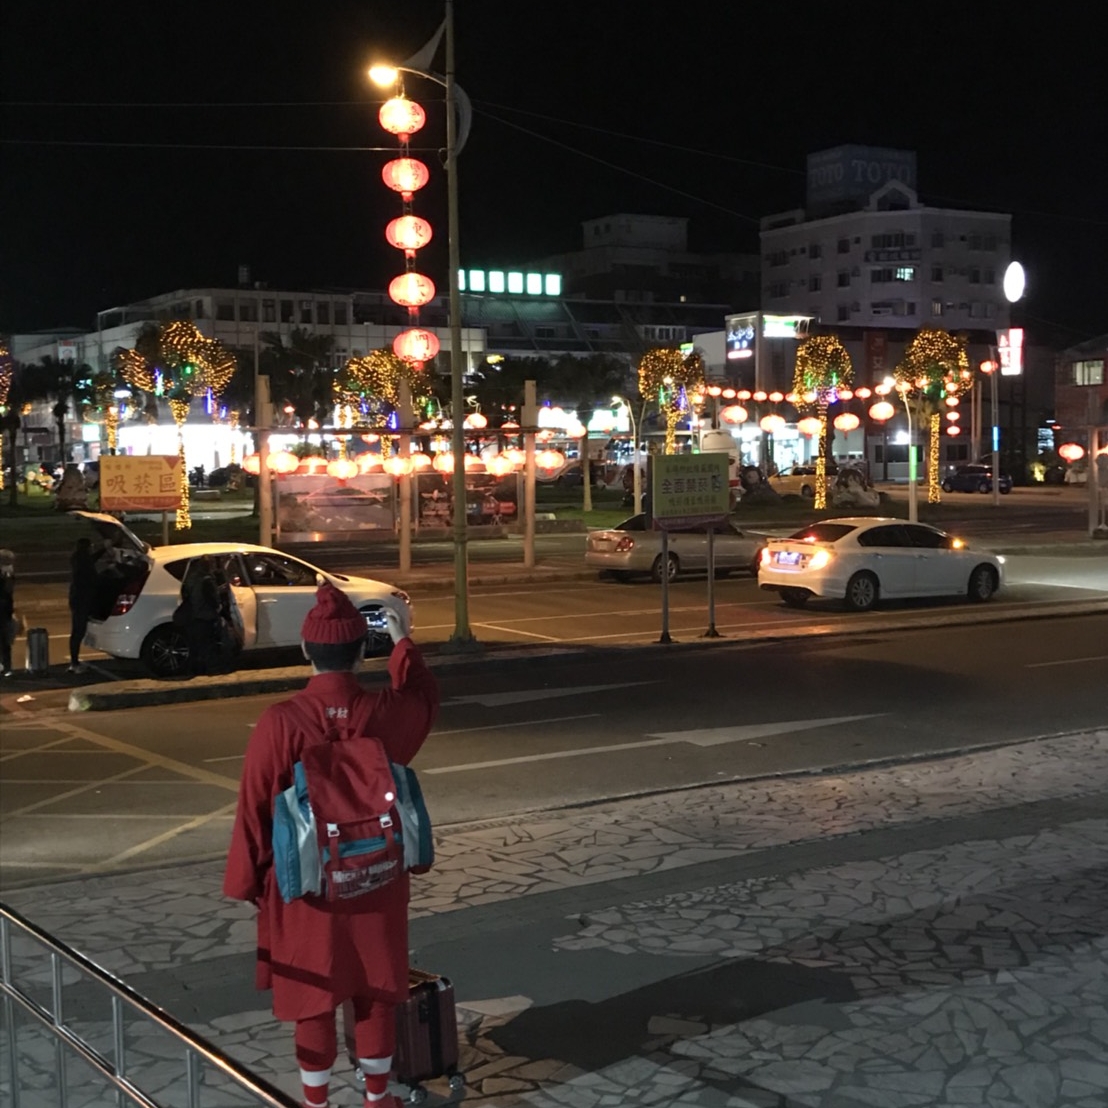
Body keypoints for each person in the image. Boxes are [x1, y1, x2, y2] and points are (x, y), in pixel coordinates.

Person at [224, 583, 437, 1108]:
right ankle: (376, 1096)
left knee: (314, 994)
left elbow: (255, 806)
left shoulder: (282, 722)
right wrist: (404, 643)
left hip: (308, 883)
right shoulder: (384, 715)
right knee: (376, 988)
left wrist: (251, 881)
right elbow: (424, 700)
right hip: (376, 878)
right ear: (362, 652)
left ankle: (316, 1102)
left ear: (305, 651)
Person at [179, 555, 222, 676]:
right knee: (208, 644)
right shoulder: (207, 580)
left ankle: (195, 670)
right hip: (205, 616)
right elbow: (213, 599)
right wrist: (218, 607)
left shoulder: (191, 577)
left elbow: (185, 593)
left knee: (196, 645)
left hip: (193, 615)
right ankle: (211, 670)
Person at [68, 537, 99, 674]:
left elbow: (93, 558)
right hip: (82, 600)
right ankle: (74, 663)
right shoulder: (85, 563)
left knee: (76, 631)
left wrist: (104, 549)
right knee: (78, 631)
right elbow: (94, 579)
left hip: (75, 599)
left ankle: (74, 662)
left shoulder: (78, 559)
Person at [0, 549, 15, 677]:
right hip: (3, 610)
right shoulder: (6, 574)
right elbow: (8, 590)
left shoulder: (8, 574)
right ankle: (6, 667)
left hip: (5, 611)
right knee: (4, 641)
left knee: (5, 642)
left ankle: (6, 666)